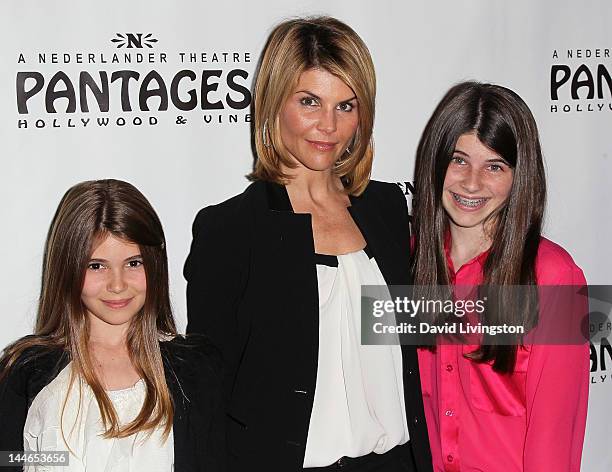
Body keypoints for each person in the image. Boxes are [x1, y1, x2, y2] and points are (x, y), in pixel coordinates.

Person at [184, 16, 432, 472]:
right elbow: (207, 392)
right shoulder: (231, 230)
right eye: (309, 101)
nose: (328, 126)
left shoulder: (386, 209)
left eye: (346, 106)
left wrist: (563, 312)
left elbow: (417, 338)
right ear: (274, 102)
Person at [411, 82, 589, 471]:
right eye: (459, 160)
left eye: (494, 166)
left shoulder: (558, 279)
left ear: (519, 176)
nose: (472, 183)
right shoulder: (404, 264)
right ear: (436, 163)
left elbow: (554, 442)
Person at [0, 179, 223, 472]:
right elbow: (9, 459)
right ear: (68, 267)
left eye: (134, 263)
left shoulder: (195, 368)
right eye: (96, 265)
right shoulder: (27, 371)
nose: (117, 285)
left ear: (155, 265)